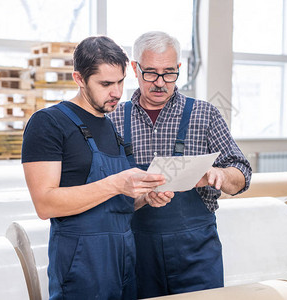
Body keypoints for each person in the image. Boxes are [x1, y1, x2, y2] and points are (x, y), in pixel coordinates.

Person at [21, 36, 173, 300]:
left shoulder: (111, 127)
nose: (116, 92)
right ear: (79, 79)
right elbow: (45, 204)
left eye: (120, 82)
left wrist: (143, 197)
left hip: (124, 258)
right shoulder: (48, 123)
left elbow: (115, 203)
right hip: (82, 265)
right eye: (105, 84)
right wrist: (117, 183)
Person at [108, 31, 252, 298]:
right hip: (136, 252)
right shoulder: (114, 119)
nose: (160, 83)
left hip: (196, 253)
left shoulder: (204, 114)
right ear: (134, 68)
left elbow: (242, 173)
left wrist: (220, 174)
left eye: (169, 73)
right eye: (151, 73)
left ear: (179, 69)